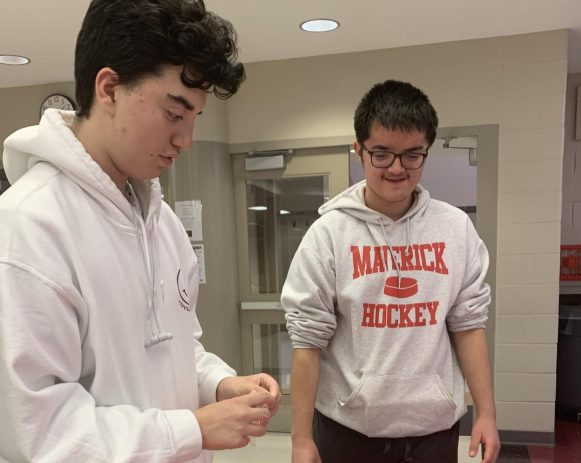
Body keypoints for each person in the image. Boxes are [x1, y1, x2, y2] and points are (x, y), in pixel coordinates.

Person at [0, 1, 280, 462]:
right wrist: (188, 430)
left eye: (195, 119)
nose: (185, 140)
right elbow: (37, 433)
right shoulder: (28, 229)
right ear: (109, 89)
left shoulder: (161, 222)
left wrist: (218, 384)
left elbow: (177, 349)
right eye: (174, 114)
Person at [282, 80, 500, 463]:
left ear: (426, 153)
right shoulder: (329, 234)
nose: (397, 168)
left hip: (434, 431)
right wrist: (301, 439)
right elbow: (307, 342)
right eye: (381, 154)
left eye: (412, 155)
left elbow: (468, 325)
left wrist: (487, 413)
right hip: (347, 431)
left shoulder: (455, 229)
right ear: (359, 150)